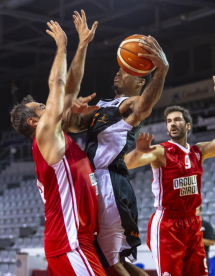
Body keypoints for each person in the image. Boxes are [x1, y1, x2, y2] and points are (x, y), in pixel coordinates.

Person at [10, 11, 106, 275]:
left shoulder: (55, 136)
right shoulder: (44, 133)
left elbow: (69, 87)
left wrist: (83, 45)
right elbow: (59, 83)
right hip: (70, 243)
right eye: (41, 107)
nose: (48, 105)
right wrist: (62, 46)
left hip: (75, 240)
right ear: (33, 122)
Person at [64, 35, 168, 276]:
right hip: (99, 184)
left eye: (126, 70)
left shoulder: (129, 104)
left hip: (110, 183)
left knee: (111, 263)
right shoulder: (103, 105)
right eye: (119, 69)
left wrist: (161, 71)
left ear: (140, 82)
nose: (118, 72)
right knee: (116, 260)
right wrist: (73, 111)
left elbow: (143, 107)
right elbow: (71, 126)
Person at [124, 75, 215, 276]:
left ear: (187, 126)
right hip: (167, 224)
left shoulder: (199, 151)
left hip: (192, 222)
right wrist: (137, 152)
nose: (172, 123)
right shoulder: (161, 152)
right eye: (169, 121)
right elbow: (127, 164)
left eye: (177, 119)